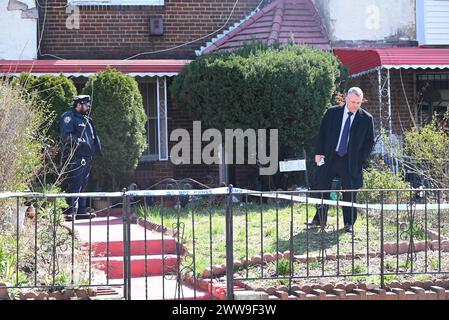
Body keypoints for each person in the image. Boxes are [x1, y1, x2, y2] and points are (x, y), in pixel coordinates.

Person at [305, 87, 375, 233]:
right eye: (353, 102)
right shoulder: (332, 112)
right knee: (323, 187)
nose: (356, 105)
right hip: (330, 157)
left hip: (351, 160)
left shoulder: (366, 119)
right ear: (346, 99)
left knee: (349, 191)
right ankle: (319, 219)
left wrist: (360, 159)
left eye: (358, 102)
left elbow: (370, 142)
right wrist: (318, 152)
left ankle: (349, 223)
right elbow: (322, 133)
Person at [59, 95, 101, 221]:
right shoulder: (68, 117)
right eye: (86, 105)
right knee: (75, 183)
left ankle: (81, 210)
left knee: (83, 183)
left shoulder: (85, 119)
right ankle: (71, 211)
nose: (88, 107)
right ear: (79, 104)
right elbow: (66, 136)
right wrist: (81, 143)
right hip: (76, 156)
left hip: (87, 157)